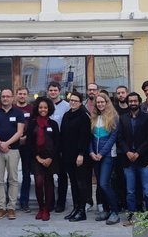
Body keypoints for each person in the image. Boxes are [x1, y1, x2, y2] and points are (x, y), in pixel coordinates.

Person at [118, 92, 148, 226]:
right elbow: (120, 138)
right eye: (130, 101)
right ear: (128, 103)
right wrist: (127, 151)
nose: (133, 103)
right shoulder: (123, 118)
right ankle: (131, 217)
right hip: (128, 160)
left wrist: (138, 152)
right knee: (130, 191)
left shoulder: (147, 118)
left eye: (135, 101)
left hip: (143, 159)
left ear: (139, 102)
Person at [0, 89, 24, 220]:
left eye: (8, 96)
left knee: (13, 179)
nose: (5, 98)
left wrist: (6, 144)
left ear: (12, 98)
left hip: (13, 150)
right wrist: (0, 143)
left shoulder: (18, 112)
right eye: (3, 96)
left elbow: (19, 132)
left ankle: (11, 208)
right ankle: (1, 207)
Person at [26, 96, 59, 221]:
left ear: (49, 108)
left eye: (45, 107)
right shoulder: (32, 124)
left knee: (49, 182)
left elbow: (57, 143)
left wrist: (51, 157)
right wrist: (37, 157)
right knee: (39, 183)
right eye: (40, 107)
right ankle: (40, 208)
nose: (43, 109)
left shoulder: (53, 124)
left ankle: (46, 209)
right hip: (37, 158)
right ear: (37, 108)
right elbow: (29, 142)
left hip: (51, 159)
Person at [60, 91, 91, 222]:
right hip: (67, 155)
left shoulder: (83, 116)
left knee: (80, 183)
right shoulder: (67, 115)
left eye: (75, 100)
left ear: (80, 102)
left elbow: (85, 137)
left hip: (79, 156)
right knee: (73, 183)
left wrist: (81, 154)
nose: (73, 102)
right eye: (71, 100)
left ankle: (82, 211)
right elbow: (63, 135)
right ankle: (75, 208)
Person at [90, 93, 120, 225]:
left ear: (107, 102)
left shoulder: (114, 117)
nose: (100, 104)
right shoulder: (94, 117)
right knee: (100, 186)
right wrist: (91, 152)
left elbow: (112, 138)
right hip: (95, 156)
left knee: (104, 183)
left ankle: (115, 212)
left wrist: (101, 153)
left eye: (103, 102)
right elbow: (89, 137)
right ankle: (106, 210)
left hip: (107, 155)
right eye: (98, 102)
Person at [46, 81, 70, 212]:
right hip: (47, 145)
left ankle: (61, 202)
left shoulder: (66, 106)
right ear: (48, 91)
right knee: (48, 176)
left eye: (55, 90)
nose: (53, 92)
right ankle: (49, 202)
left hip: (62, 145)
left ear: (59, 91)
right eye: (51, 90)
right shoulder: (45, 105)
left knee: (62, 176)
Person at [14, 86, 34, 213]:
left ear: (27, 95)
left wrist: (27, 137)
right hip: (13, 144)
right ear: (16, 95)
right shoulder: (12, 109)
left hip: (28, 145)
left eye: (24, 94)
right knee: (12, 173)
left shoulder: (32, 109)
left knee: (26, 174)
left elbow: (35, 125)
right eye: (20, 93)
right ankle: (10, 201)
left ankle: (24, 202)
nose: (22, 96)